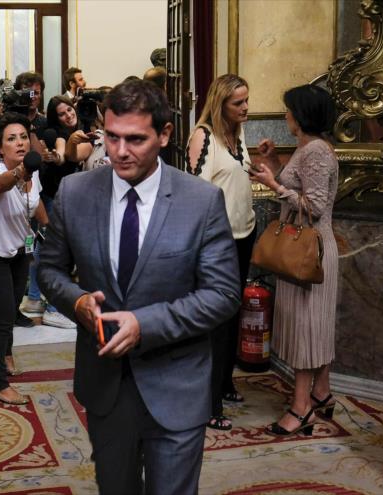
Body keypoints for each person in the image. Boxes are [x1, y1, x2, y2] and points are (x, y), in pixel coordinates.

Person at [38, 80, 240, 494]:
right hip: (106, 386)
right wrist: (76, 301)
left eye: (135, 139)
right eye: (111, 137)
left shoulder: (200, 202)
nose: (119, 152)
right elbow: (49, 269)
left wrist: (144, 324)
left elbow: (222, 295)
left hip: (177, 384)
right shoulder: (76, 193)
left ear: (164, 136)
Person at [248, 84, 339, 437]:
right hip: (307, 251)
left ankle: (302, 409)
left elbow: (314, 207)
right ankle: (321, 392)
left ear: (300, 114)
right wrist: (274, 164)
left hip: (310, 253)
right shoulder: (310, 148)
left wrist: (272, 184)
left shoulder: (316, 150)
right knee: (315, 325)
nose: (285, 114)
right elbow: (300, 186)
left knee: (306, 328)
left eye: (288, 109)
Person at [186, 74, 256, 431]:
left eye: (246, 100)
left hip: (245, 233)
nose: (245, 108)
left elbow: (235, 178)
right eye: (238, 103)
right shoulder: (203, 136)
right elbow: (197, 197)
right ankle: (209, 403)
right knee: (217, 322)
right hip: (217, 241)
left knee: (233, 314)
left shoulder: (237, 133)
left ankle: (225, 384)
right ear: (220, 104)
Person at [0, 112, 48, 404]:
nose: (19, 143)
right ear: (0, 148)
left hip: (19, 251)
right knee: (2, 316)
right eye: (11, 139)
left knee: (13, 309)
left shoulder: (34, 174)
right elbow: (1, 185)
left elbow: (37, 204)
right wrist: (20, 172)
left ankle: (5, 355)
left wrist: (52, 231)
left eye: (22, 137)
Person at [21, 96, 85, 329]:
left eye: (69, 109)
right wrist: (56, 157)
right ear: (54, 118)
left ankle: (35, 299)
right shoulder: (59, 134)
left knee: (43, 247)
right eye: (62, 113)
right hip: (54, 197)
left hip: (60, 196)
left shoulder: (81, 128)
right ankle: (52, 307)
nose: (68, 115)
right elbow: (61, 155)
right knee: (53, 250)